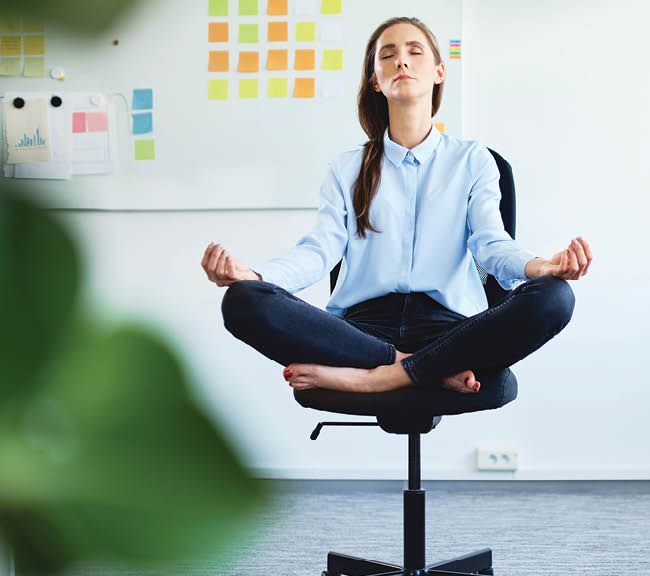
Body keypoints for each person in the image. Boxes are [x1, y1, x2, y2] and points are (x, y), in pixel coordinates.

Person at [203, 16, 592, 395]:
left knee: (554, 296)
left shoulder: (472, 160)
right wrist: (253, 276)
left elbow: (492, 244)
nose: (401, 61)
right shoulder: (346, 168)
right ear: (376, 81)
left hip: (452, 329)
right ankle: (421, 368)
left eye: (414, 51)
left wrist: (544, 267)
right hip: (359, 333)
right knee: (242, 301)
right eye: (387, 55)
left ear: (439, 72)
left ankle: (375, 378)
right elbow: (319, 251)